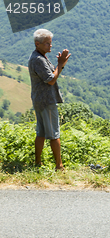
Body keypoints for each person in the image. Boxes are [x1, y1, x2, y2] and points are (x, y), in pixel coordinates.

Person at [28, 29, 71, 171]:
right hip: (47, 100)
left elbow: (53, 73)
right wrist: (60, 64)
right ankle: (59, 166)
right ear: (37, 44)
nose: (50, 46)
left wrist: (61, 65)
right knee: (54, 134)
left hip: (39, 99)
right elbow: (51, 80)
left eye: (50, 43)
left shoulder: (40, 56)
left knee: (41, 132)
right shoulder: (39, 60)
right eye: (47, 44)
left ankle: (38, 162)